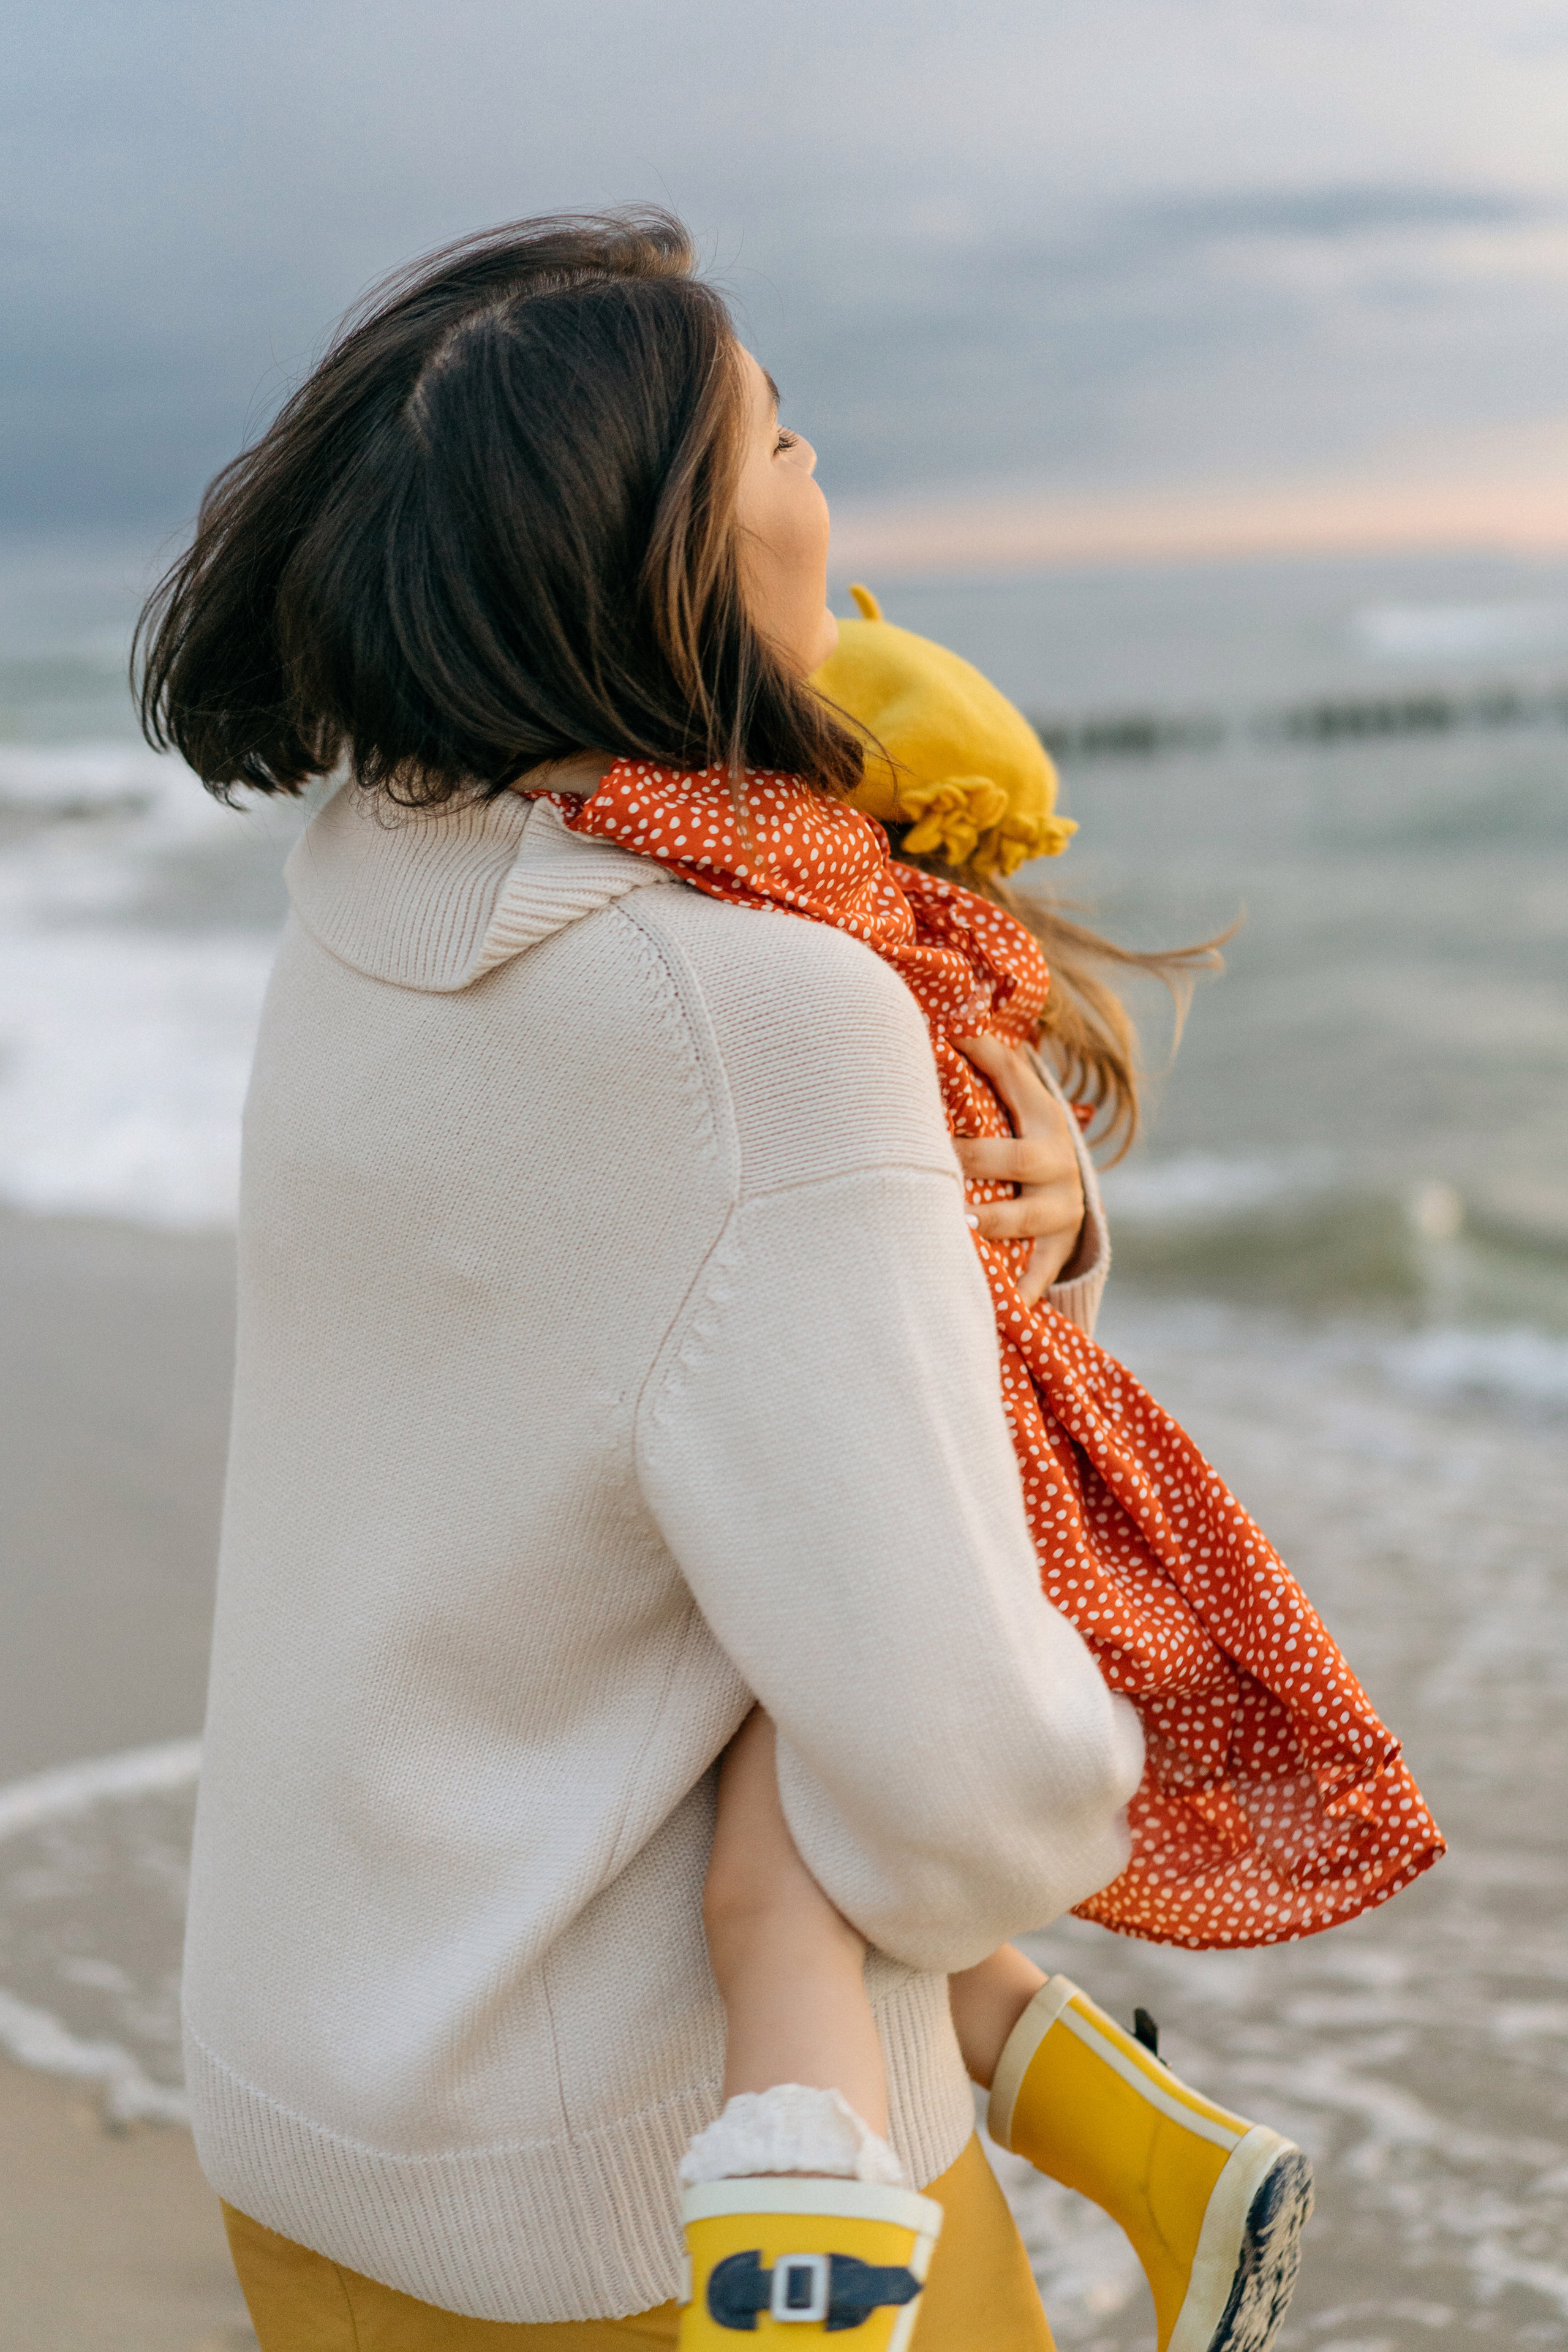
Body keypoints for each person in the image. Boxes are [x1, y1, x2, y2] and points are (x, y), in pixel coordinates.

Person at [137, 209, 1440, 2352]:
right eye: (785, 439)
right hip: (661, 2223)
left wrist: (1011, 1235)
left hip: (312, 2101)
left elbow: (605, 1366)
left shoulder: (370, 876)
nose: (826, 490)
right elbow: (963, 1809)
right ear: (667, 554)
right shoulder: (750, 1009)